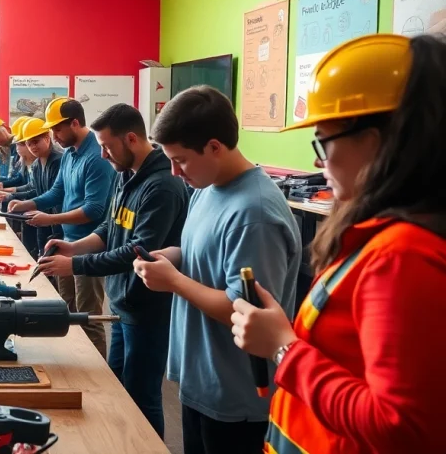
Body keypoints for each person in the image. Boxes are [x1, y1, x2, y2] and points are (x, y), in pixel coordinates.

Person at [230, 34, 446, 454]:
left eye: (323, 139)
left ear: (381, 139)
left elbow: (403, 429)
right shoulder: (383, 238)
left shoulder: (401, 257)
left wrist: (283, 349)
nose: (317, 160)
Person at [134, 85, 301, 454]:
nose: (175, 172)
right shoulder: (206, 187)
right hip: (201, 382)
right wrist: (173, 257)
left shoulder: (254, 214)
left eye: (181, 160)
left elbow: (245, 312)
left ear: (214, 146)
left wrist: (174, 281)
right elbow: (204, 252)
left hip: (236, 398)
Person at [36, 103, 188, 438]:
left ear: (131, 139)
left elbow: (136, 251)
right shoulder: (126, 174)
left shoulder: (162, 186)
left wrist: (74, 264)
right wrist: (74, 246)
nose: (103, 154)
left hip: (147, 311)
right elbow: (110, 225)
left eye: (107, 146)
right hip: (122, 304)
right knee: (119, 387)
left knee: (142, 397)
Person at [8, 98, 115, 358]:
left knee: (88, 316)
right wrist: (26, 203)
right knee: (66, 309)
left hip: (88, 247)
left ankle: (99, 376)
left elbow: (94, 210)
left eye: (57, 129)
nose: (54, 135)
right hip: (66, 242)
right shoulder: (69, 154)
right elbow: (58, 192)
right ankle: (74, 361)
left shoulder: (95, 158)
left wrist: (51, 220)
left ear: (75, 123)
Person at [0, 118, 64, 259]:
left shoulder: (59, 161)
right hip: (42, 219)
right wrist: (16, 199)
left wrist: (22, 201)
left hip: (59, 221)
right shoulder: (36, 165)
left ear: (47, 138)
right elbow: (36, 190)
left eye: (36, 141)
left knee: (55, 261)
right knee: (42, 256)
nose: (32, 147)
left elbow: (55, 195)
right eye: (28, 143)